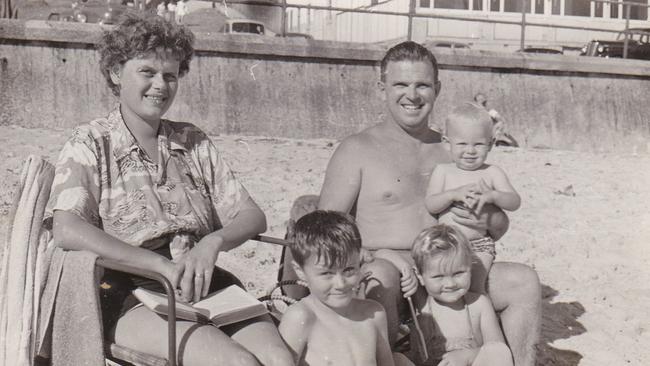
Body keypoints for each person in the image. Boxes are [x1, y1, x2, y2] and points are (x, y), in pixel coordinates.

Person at [44, 13, 293, 366]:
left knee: (280, 359)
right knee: (237, 363)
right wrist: (158, 265)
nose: (160, 85)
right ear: (116, 73)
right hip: (127, 287)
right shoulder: (91, 142)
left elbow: (252, 215)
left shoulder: (191, 141)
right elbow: (67, 227)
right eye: (147, 72)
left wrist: (212, 243)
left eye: (170, 75)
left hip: (200, 281)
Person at [316, 41, 541, 366]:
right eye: (400, 85)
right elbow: (327, 232)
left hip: (451, 267)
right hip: (388, 267)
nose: (412, 95)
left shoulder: (453, 149)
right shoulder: (357, 149)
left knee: (523, 281)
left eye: (422, 85)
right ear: (382, 88)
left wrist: (487, 214)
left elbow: (498, 228)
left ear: (436, 89)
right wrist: (385, 256)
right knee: (380, 276)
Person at [278, 210, 413, 366]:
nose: (341, 284)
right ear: (300, 272)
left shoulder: (374, 314)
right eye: (327, 273)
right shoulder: (301, 317)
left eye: (349, 270)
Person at [425, 102, 521, 294]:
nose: (470, 151)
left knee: (475, 286)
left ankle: (478, 315)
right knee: (443, 288)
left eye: (478, 144)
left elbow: (514, 202)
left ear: (491, 144)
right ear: (446, 142)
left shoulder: (492, 172)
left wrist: (493, 196)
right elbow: (431, 204)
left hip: (479, 245)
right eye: (462, 144)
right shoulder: (443, 171)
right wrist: (453, 194)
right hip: (445, 244)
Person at [410, 224, 513, 366]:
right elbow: (384, 253)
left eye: (458, 273)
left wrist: (469, 356)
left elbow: (497, 348)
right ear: (420, 276)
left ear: (470, 268)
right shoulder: (422, 306)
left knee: (498, 350)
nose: (450, 284)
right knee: (397, 358)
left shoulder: (478, 304)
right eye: (438, 276)